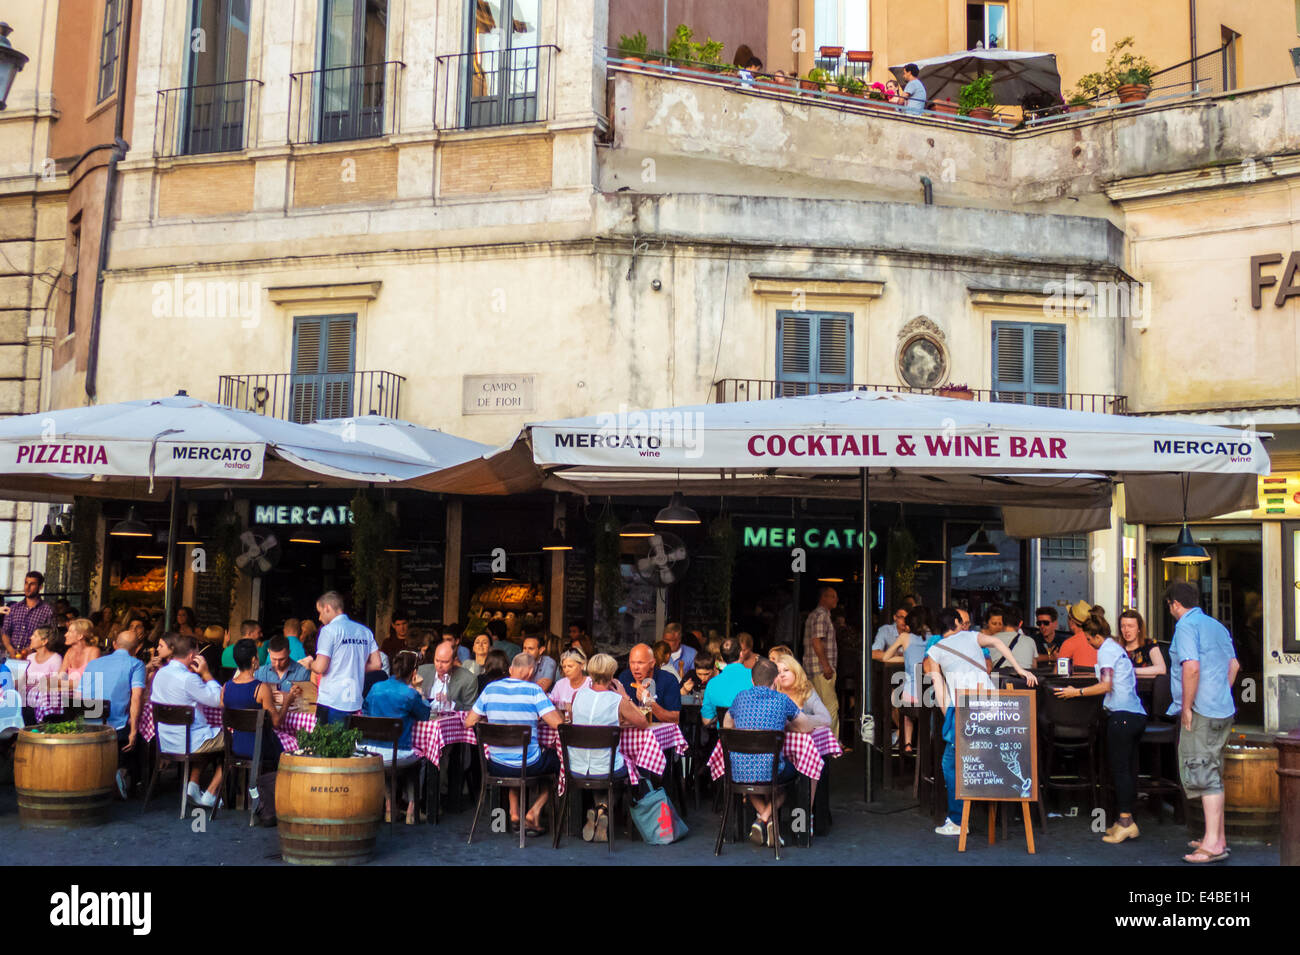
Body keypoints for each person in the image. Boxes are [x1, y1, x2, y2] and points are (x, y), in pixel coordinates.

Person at [925, 607, 1038, 837]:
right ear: (957, 622)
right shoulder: (970, 636)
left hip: (963, 707)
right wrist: (1019, 669)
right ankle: (1000, 812)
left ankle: (958, 820)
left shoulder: (935, 650)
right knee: (994, 755)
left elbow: (939, 686)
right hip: (992, 704)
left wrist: (949, 712)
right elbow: (998, 644)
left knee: (951, 764)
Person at [1052, 611, 1146, 844]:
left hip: (1122, 717)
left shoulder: (1105, 651)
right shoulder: (1116, 647)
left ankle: (1125, 821)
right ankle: (1126, 820)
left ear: (1094, 636)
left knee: (1121, 770)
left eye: (1087, 638)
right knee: (1128, 769)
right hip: (1135, 715)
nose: (1087, 643)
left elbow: (1105, 685)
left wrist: (1077, 692)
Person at [1165, 581, 1239, 864]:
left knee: (1203, 773)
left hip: (1202, 711)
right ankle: (1217, 837)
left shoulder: (1185, 626)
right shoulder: (1216, 626)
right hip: (1222, 709)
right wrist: (1220, 693)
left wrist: (1187, 707)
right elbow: (1233, 666)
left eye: (1170, 605)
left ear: (1174, 604)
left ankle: (1212, 845)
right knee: (1213, 770)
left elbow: (1191, 667)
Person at [465, 652, 564, 837]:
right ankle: (534, 811)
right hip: (528, 764)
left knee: (514, 758)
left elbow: (469, 722)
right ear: (531, 672)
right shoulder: (534, 690)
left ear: (511, 669)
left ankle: (512, 815)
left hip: (495, 765)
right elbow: (558, 725)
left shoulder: (490, 689)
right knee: (559, 761)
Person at [725, 658, 817, 848]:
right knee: (787, 782)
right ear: (775, 680)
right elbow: (806, 726)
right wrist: (786, 724)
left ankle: (762, 820)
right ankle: (766, 818)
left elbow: (727, 725)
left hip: (738, 773)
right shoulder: (782, 699)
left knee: (750, 778)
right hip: (772, 772)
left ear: (752, 680)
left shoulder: (739, 697)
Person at [569, 652, 647, 841]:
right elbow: (643, 722)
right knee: (626, 767)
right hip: (606, 768)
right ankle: (604, 811)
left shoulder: (576, 695)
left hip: (577, 767)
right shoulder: (617, 700)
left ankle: (597, 810)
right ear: (612, 675)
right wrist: (624, 694)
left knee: (605, 764)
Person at [150, 633, 224, 808]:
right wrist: (206, 674)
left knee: (208, 738)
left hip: (167, 742)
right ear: (192, 656)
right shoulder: (188, 679)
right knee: (235, 741)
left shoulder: (160, 673)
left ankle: (193, 785)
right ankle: (211, 793)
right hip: (189, 742)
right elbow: (217, 700)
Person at [362, 650, 431, 824]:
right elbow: (424, 715)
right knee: (422, 759)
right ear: (414, 673)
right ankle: (412, 810)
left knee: (386, 761)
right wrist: (419, 691)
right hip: (397, 753)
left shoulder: (376, 687)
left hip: (372, 752)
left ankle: (389, 808)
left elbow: (365, 711)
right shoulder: (410, 694)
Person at [80, 629, 147, 798]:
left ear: (115, 645)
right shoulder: (136, 664)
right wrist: (133, 731)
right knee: (139, 738)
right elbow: (137, 697)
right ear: (137, 649)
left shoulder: (93, 663)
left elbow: (80, 695)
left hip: (88, 724)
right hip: (115, 727)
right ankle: (125, 775)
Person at [309, 591, 381, 724]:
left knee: (326, 743)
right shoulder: (365, 631)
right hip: (355, 702)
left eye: (320, 612)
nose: (319, 618)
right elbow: (377, 664)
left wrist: (309, 663)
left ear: (327, 608)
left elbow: (320, 667)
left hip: (331, 701)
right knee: (350, 743)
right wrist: (355, 666)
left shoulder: (328, 630)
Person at [222, 638, 296, 766]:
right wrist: (287, 702)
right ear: (253, 660)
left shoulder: (225, 688)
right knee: (294, 743)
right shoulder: (261, 688)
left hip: (235, 745)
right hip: (260, 748)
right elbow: (276, 722)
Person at [882, 607, 927, 752]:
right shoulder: (933, 638)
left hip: (910, 698)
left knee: (905, 710)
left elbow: (885, 657)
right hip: (929, 696)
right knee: (930, 710)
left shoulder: (904, 637)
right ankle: (929, 742)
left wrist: (905, 658)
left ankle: (907, 743)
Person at [802, 586, 840, 737]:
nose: (836, 599)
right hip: (821, 670)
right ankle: (832, 745)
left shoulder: (815, 615)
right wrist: (826, 666)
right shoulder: (821, 615)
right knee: (830, 706)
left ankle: (818, 742)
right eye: (833, 596)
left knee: (815, 707)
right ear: (823, 598)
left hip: (814, 669)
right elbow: (816, 641)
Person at [617, 643, 682, 723]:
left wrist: (649, 702)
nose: (635, 667)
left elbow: (675, 719)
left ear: (652, 663)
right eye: (632, 663)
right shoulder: (625, 677)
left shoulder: (668, 680)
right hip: (632, 732)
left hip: (660, 733)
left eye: (640, 663)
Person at [1, 571, 55, 661]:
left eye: (32, 584)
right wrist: (10, 649)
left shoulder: (47, 610)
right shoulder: (14, 608)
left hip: (34, 659)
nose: (28, 587)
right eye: (26, 583)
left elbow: (50, 637)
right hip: (11, 657)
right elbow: (5, 632)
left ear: (40, 587)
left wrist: (29, 650)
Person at [772, 652, 832, 729]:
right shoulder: (774, 695)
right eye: (778, 672)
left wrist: (799, 719)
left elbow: (826, 719)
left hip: (804, 740)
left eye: (786, 670)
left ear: (796, 672)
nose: (782, 675)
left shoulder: (807, 693)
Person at [416, 640, 478, 712]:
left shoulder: (468, 679)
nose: (439, 666)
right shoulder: (421, 671)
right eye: (437, 660)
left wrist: (451, 704)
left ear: (454, 661)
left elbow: (471, 711)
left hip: (451, 721)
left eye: (445, 662)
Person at [701, 637, 753, 724]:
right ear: (741, 653)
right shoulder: (754, 676)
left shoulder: (712, 683)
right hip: (753, 734)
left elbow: (706, 721)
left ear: (722, 656)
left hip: (724, 736)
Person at [22, 626, 63, 707]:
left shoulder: (55, 659)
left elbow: (56, 684)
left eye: (35, 636)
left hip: (46, 703)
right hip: (27, 700)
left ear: (44, 641)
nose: (31, 638)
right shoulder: (29, 657)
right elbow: (23, 681)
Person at [1119, 609, 1166, 677]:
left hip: (1146, 685)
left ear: (1139, 628)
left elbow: (1161, 669)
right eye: (1123, 626)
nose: (1126, 630)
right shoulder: (1117, 648)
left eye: (1130, 626)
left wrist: (1132, 670)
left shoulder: (1149, 644)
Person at [990, 605, 1037, 672]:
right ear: (1020, 624)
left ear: (1002, 622)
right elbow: (1034, 667)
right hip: (1023, 681)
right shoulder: (1030, 641)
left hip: (998, 680)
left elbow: (986, 666)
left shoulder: (990, 640)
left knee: (994, 676)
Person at [58, 618, 101, 685]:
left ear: (80, 636)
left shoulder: (93, 651)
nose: (65, 635)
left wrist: (63, 684)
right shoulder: (69, 652)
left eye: (70, 632)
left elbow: (89, 682)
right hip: (71, 694)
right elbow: (60, 677)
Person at [1058, 600, 1099, 669]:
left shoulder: (1069, 643)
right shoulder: (1099, 640)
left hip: (1077, 679)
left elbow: (1058, 672)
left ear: (1071, 622)